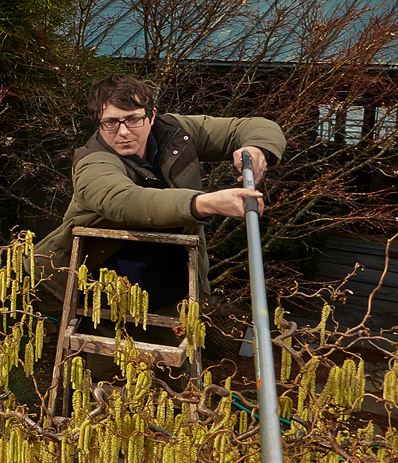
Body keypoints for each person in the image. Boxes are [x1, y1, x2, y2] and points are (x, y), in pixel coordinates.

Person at [36, 75, 286, 311]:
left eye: (133, 119)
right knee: (113, 356)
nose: (123, 131)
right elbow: (125, 201)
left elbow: (252, 126)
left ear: (151, 115)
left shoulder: (177, 133)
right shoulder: (91, 161)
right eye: (110, 123)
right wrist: (205, 203)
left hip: (174, 287)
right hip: (104, 294)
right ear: (98, 123)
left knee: (177, 354)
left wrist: (256, 147)